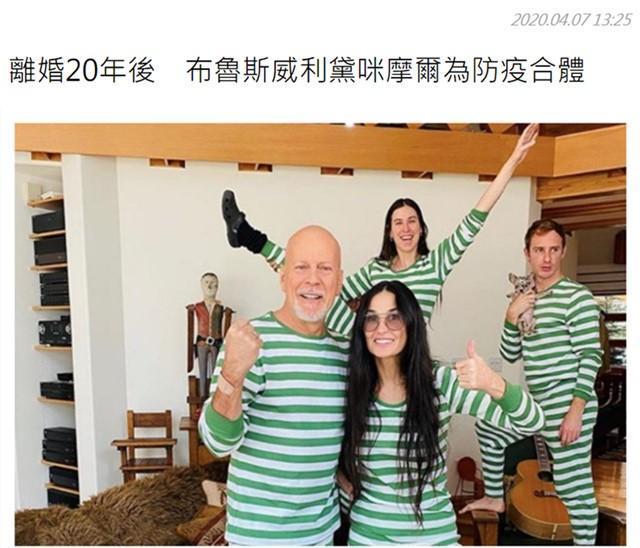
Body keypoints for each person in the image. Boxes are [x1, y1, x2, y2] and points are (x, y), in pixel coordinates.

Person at [222, 123, 539, 334]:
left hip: (407, 352)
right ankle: (248, 236)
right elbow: (333, 291)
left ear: (421, 229)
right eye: (398, 222)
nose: (406, 228)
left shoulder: (435, 265)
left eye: (412, 221)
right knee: (317, 280)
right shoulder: (376, 270)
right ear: (390, 231)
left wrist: (514, 159)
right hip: (371, 343)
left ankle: (246, 236)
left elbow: (476, 217)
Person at [339, 280, 544, 545]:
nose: (381, 328)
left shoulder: (441, 383)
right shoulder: (352, 389)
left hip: (435, 537)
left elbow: (533, 422)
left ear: (412, 324)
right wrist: (342, 481)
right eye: (371, 318)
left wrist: (494, 383)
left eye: (394, 317)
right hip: (368, 538)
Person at [198, 226, 350, 545]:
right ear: (283, 277)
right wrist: (232, 375)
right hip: (258, 537)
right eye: (301, 267)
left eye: (324, 268)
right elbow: (217, 443)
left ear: (338, 281)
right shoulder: (252, 341)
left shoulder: (346, 352)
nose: (313, 279)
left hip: (322, 534)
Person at [462, 219, 603, 545]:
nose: (547, 258)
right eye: (539, 250)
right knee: (489, 428)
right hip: (538, 403)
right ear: (527, 253)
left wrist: (576, 411)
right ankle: (495, 498)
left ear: (563, 251)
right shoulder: (524, 298)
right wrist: (510, 316)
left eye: (554, 249)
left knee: (573, 489)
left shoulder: (577, 297)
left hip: (568, 402)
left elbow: (591, 355)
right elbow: (510, 354)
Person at [187, 272, 233, 399]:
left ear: (217, 286)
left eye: (213, 283)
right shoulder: (197, 307)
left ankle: (214, 397)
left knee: (216, 372)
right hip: (202, 343)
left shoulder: (220, 307)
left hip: (216, 342)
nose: (209, 286)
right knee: (202, 371)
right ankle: (202, 397)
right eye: (206, 283)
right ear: (201, 285)